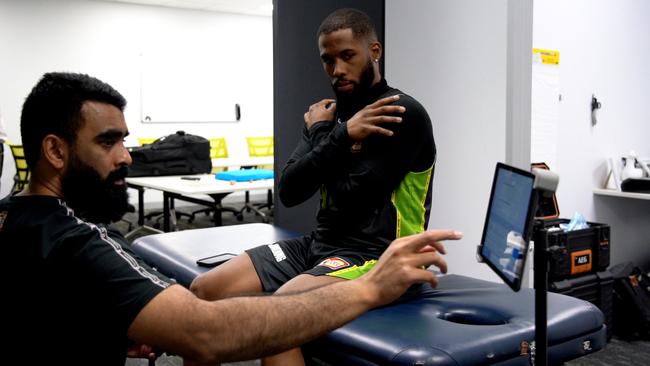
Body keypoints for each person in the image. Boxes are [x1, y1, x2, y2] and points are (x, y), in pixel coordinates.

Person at [0, 72, 461, 365]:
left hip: (353, 249)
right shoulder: (77, 242)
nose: (126, 157)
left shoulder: (14, 217)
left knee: (273, 312)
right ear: (56, 150)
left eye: (125, 140)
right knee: (244, 307)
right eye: (107, 143)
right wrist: (370, 288)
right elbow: (206, 332)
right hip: (320, 245)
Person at [190, 8, 438, 366]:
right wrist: (337, 133)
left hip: (378, 257)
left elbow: (355, 197)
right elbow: (289, 191)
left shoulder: (398, 113)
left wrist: (325, 135)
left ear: (375, 51)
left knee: (278, 319)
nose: (337, 70)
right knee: (203, 292)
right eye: (328, 60)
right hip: (318, 247)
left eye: (347, 56)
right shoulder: (331, 116)